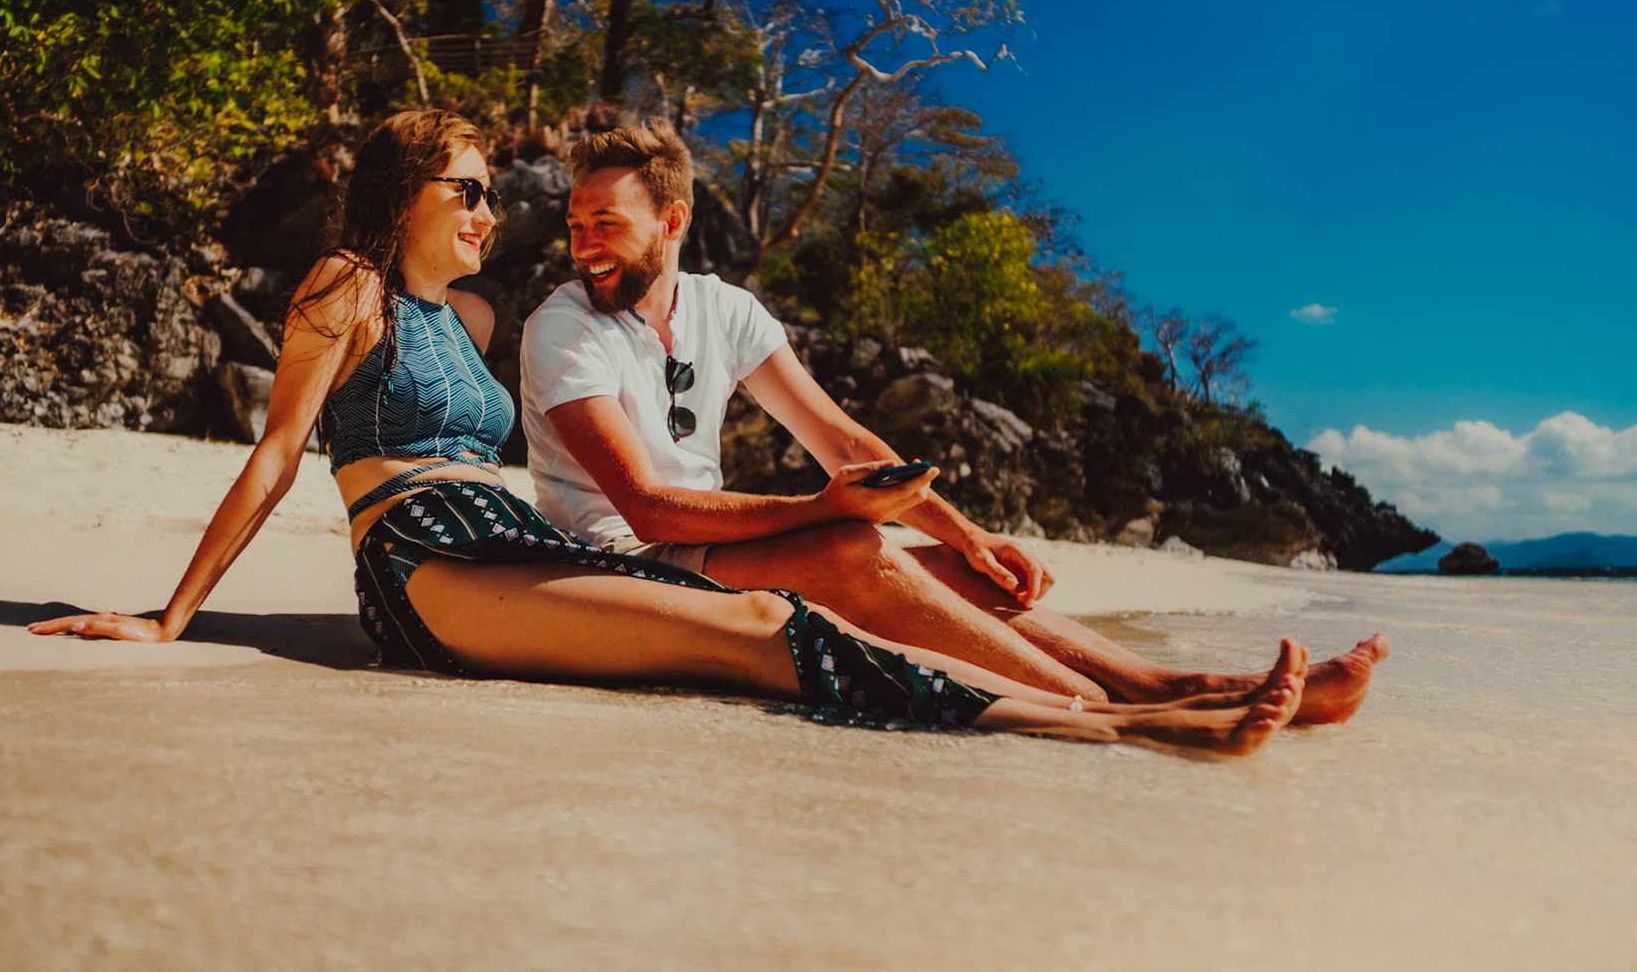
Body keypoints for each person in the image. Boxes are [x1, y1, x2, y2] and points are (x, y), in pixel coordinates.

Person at [30, 109, 1310, 754]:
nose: (491, 210)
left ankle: (1147, 699)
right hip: (426, 557)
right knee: (771, 628)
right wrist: (172, 615)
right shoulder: (341, 285)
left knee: (788, 612)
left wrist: (948, 522)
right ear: (401, 194)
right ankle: (1120, 727)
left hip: (516, 534)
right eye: (467, 189)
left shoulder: (472, 317)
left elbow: (830, 434)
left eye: (487, 194)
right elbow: (274, 453)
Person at [520, 119, 1388, 718]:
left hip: (704, 548)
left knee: (958, 577)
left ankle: (1174, 683)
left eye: (607, 223)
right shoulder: (564, 326)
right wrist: (825, 510)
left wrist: (969, 536)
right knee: (852, 550)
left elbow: (847, 444)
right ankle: (1114, 707)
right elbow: (644, 509)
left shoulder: (727, 311)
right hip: (619, 563)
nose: (584, 243)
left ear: (671, 222)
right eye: (575, 223)